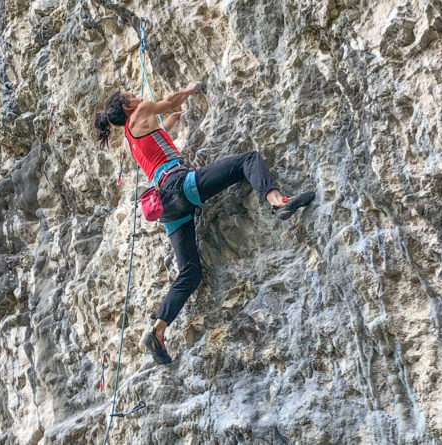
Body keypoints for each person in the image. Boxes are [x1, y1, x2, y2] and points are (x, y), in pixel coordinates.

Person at [93, 83, 315, 364]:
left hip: (166, 207)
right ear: (127, 107)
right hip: (180, 185)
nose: (137, 96)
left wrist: (172, 121)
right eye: (131, 96)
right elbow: (169, 101)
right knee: (248, 160)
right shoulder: (144, 109)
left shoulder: (128, 139)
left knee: (190, 271)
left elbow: (156, 141)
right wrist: (188, 90)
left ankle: (158, 331)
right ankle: (278, 202)